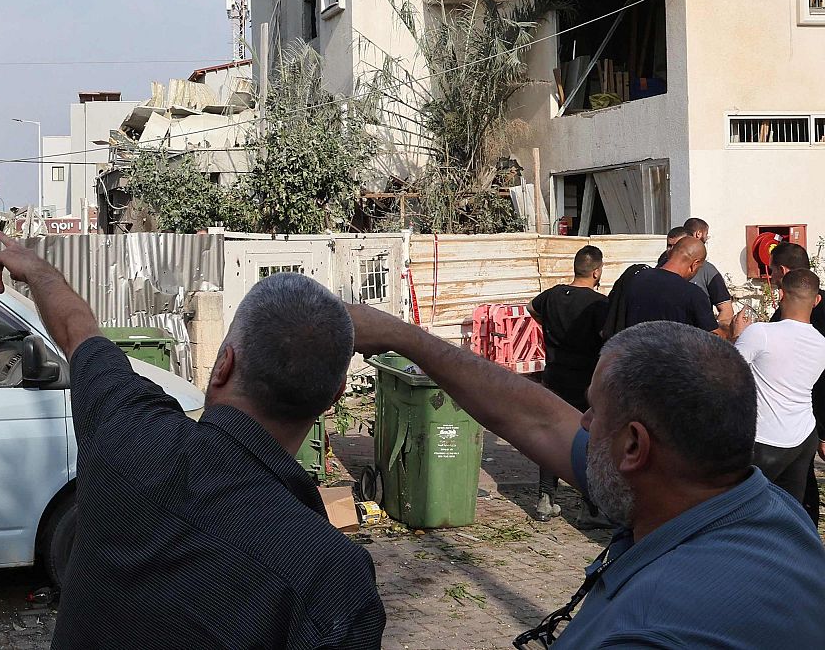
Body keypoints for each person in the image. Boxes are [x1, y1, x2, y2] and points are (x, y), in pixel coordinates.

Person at [0, 231, 384, 650]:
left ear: (222, 365)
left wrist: (37, 269)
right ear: (334, 399)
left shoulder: (127, 429)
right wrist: (405, 338)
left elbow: (77, 331)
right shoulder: (334, 579)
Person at [345, 304, 825, 647]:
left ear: (634, 446)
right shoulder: (765, 512)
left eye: (595, 410)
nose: (583, 422)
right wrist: (404, 337)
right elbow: (538, 419)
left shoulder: (652, 631)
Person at [528, 246, 607, 523]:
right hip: (584, 380)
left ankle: (545, 498)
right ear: (597, 271)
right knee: (588, 440)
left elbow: (530, 307)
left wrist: (548, 326)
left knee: (550, 435)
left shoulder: (554, 295)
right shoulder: (599, 304)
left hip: (554, 375)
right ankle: (591, 508)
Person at [735, 269, 825, 507]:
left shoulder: (760, 333)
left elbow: (726, 375)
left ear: (781, 294)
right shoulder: (822, 343)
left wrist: (736, 336)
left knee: (742, 508)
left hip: (764, 438)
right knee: (788, 510)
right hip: (803, 436)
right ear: (816, 300)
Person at [766, 240, 825, 521]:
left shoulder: (790, 313)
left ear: (783, 270)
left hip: (799, 419)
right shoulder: (809, 303)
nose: (772, 280)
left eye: (773, 272)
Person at [623, 238, 749, 336]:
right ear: (694, 265)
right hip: (671, 366)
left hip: (633, 361)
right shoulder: (692, 294)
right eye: (698, 269)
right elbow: (713, 339)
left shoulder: (635, 279)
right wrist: (733, 331)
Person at [659, 218, 735, 329]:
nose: (672, 250)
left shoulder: (708, 270)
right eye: (669, 246)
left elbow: (726, 310)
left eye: (677, 246)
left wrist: (713, 331)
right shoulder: (659, 268)